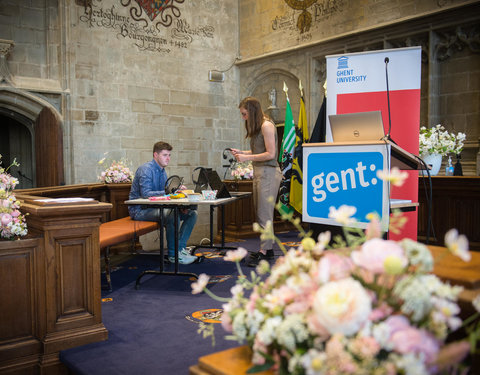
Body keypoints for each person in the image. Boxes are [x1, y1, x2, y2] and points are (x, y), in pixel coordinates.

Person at [231, 97, 282, 267]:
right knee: (260, 213)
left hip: (268, 172)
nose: (243, 117)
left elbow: (270, 154)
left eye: (244, 114)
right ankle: (266, 250)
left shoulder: (266, 125)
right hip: (260, 172)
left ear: (251, 111)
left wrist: (246, 157)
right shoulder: (259, 126)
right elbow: (258, 150)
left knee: (264, 214)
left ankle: (265, 252)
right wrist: (242, 151)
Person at [128, 141, 198, 265]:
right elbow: (146, 194)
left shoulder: (162, 171)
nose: (168, 158)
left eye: (169, 155)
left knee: (192, 214)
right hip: (140, 210)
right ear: (155, 155)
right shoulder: (146, 169)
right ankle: (173, 255)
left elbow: (164, 196)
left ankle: (180, 249)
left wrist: (177, 201)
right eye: (165, 155)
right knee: (172, 215)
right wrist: (171, 192)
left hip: (155, 208)